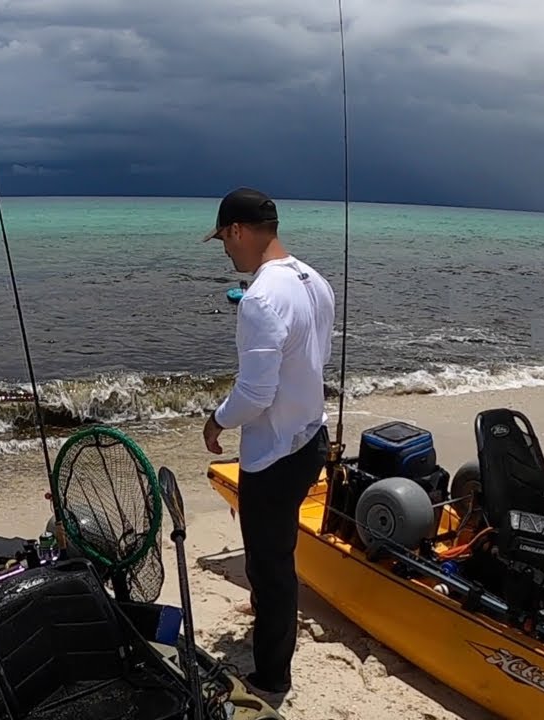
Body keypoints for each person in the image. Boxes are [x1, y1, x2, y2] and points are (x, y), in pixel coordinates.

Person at [200, 187, 336, 695]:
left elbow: (256, 392)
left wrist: (216, 421)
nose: (226, 251)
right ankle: (263, 613)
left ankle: (270, 678)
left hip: (276, 453)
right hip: (311, 438)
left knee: (272, 564)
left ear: (238, 230)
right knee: (273, 554)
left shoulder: (259, 298)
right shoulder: (314, 280)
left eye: (224, 241)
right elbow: (312, 358)